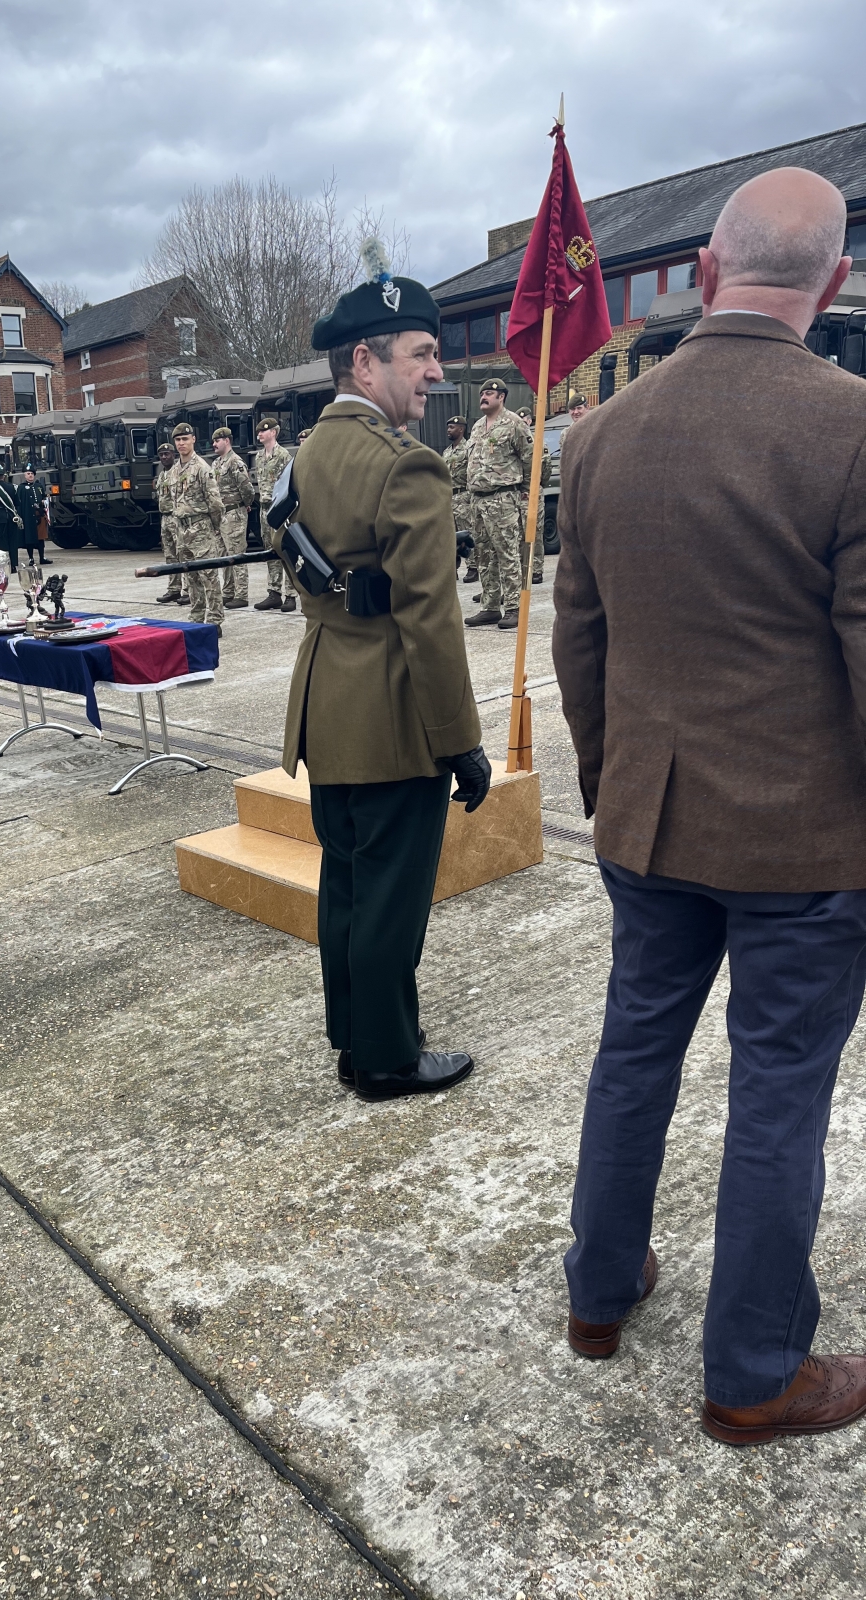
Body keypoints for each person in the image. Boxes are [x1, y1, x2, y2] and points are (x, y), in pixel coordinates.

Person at [553, 167, 866, 1445]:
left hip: (648, 820)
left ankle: (600, 1289)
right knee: (778, 1090)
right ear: (834, 284)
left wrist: (610, 790)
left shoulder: (602, 433)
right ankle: (750, 1371)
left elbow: (582, 650)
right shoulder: (852, 426)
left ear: (702, 275)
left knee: (635, 1053)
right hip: (804, 841)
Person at [276, 257, 490, 1102]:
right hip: (396, 716)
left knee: (347, 887)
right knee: (392, 902)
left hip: (326, 704)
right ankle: (388, 1059)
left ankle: (353, 1036)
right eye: (420, 354)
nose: (436, 373)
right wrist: (462, 743)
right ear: (364, 362)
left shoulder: (303, 456)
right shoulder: (408, 465)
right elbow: (431, 625)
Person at [464, 378, 532, 629]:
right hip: (477, 500)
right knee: (483, 555)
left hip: (503, 498)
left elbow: (530, 459)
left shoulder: (514, 424)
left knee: (508, 554)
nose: (484, 397)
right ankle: (490, 607)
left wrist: (525, 492)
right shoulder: (477, 427)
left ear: (501, 396)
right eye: (482, 393)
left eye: (489, 393)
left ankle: (514, 607)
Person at [164, 422, 225, 630]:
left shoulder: (202, 468)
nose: (181, 443)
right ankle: (197, 618)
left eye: (185, 439)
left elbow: (215, 503)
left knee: (209, 576)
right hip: (181, 530)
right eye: (178, 440)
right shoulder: (173, 472)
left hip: (201, 528)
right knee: (190, 577)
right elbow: (173, 502)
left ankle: (215, 620)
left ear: (193, 440)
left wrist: (213, 527)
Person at [252, 417, 295, 612]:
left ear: (274, 432)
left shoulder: (284, 455)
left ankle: (291, 594)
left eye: (263, 430)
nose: (259, 433)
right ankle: (274, 592)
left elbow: (289, 482)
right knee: (270, 551)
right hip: (264, 508)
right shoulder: (259, 457)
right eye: (259, 431)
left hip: (279, 509)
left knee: (285, 550)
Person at [210, 426, 255, 609]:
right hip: (221, 515)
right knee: (223, 556)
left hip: (234, 513)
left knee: (237, 554)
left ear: (226, 440)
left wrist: (246, 503)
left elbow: (247, 489)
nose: (214, 444)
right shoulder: (216, 463)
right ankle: (228, 592)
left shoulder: (235, 462)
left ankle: (241, 594)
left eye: (217, 441)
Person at [514, 406, 549, 585]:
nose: (524, 423)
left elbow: (546, 468)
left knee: (536, 533)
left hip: (534, 492)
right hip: (518, 494)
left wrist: (537, 487)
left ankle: (536, 569)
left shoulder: (539, 441)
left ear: (530, 421)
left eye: (525, 420)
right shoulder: (516, 443)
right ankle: (523, 568)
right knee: (519, 534)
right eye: (520, 421)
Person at [152, 442, 186, 605]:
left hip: (177, 517)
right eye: (162, 455)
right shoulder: (162, 475)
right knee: (170, 555)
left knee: (183, 553)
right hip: (165, 518)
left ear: (174, 455)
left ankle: (188, 590)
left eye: (167, 454)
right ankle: (174, 589)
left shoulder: (179, 472)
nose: (164, 457)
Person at [442, 415, 475, 581]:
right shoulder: (447, 451)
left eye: (452, 427)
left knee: (466, 532)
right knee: (451, 535)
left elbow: (473, 471)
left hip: (463, 496)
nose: (449, 430)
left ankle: (473, 567)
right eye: (448, 427)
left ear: (461, 429)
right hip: (449, 497)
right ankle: (452, 568)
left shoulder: (469, 448)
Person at [15, 468, 47, 565]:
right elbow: (18, 503)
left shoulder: (39, 486)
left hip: (39, 514)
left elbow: (44, 496)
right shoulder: (21, 487)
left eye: (32, 473)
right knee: (29, 538)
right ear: (25, 475)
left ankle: (42, 557)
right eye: (28, 473)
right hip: (28, 516)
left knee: (41, 537)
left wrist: (43, 502)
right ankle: (31, 558)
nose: (30, 475)